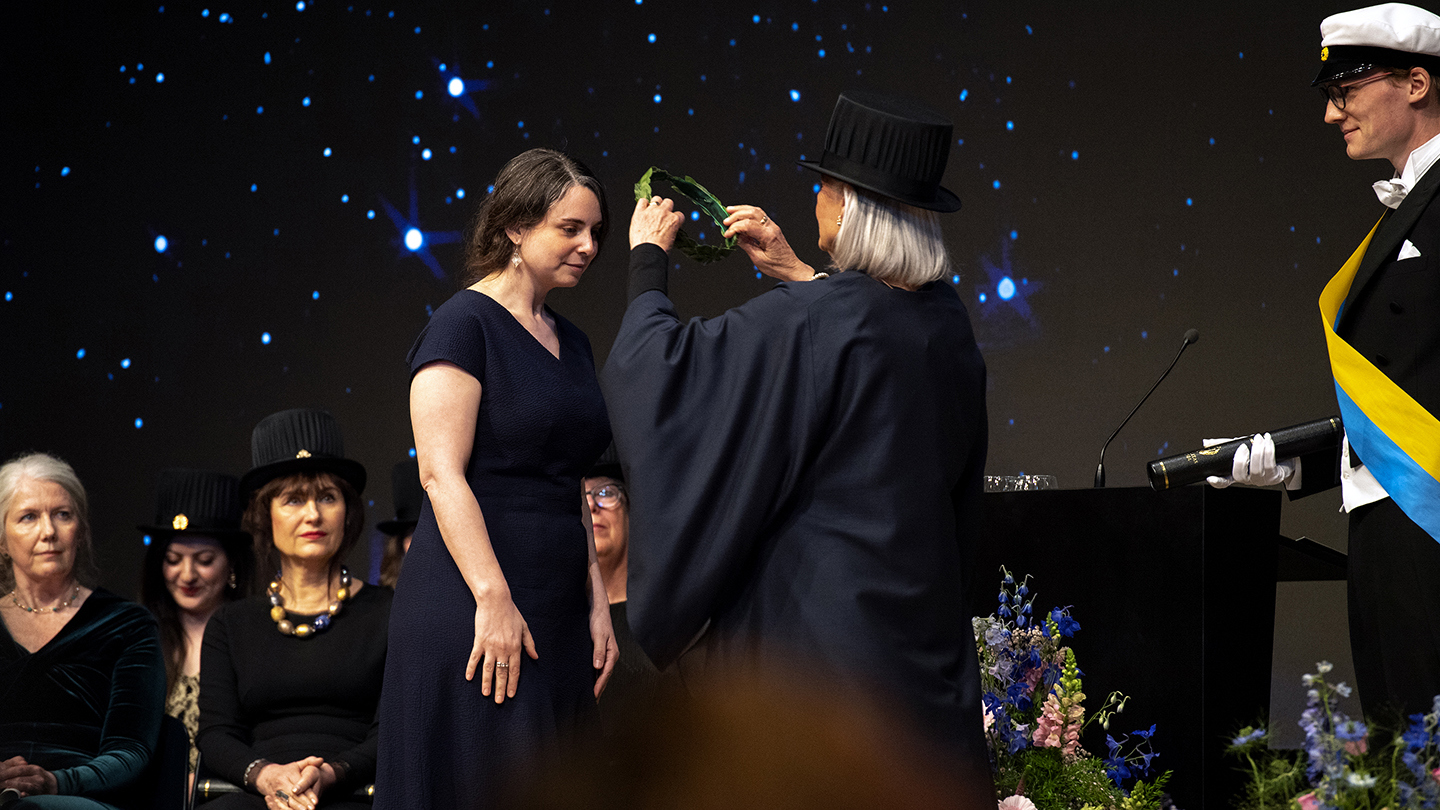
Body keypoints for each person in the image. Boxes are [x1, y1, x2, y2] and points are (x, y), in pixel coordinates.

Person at [603, 91, 994, 801]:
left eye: (824, 185)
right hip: (921, 660)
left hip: (824, 657)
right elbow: (864, 350)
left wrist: (647, 262)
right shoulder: (947, 323)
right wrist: (798, 273)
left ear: (849, 209)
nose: (815, 197)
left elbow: (657, 374)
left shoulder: (818, 321)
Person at [1210, 3, 1440, 721]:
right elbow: (1408, 386)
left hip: (1427, 522)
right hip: (1388, 521)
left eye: (1345, 90)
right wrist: (1296, 463)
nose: (1332, 113)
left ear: (1415, 84)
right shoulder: (1406, 209)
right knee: (1400, 748)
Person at [374, 148, 618, 807]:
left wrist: (595, 598)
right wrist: (493, 599)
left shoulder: (573, 341)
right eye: (570, 228)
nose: (589, 246)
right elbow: (440, 474)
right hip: (474, 599)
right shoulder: (463, 324)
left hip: (556, 601)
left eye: (595, 231)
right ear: (515, 225)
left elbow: (569, 480)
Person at [198, 409, 390, 810]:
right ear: (264, 516)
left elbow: (393, 728)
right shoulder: (230, 624)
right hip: (259, 794)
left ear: (348, 512)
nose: (313, 515)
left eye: (327, 497)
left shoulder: (389, 613)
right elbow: (216, 735)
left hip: (357, 791)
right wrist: (268, 776)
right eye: (294, 500)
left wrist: (330, 774)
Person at [0, 452, 166, 809]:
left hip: (82, 797)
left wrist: (56, 782)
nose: (48, 532)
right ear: (2, 540)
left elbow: (131, 751)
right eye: (28, 517)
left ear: (81, 531)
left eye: (62, 514)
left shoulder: (127, 624)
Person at [139, 469, 254, 776]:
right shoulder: (142, 640)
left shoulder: (254, 636)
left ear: (232, 564)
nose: (187, 575)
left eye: (204, 560)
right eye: (173, 560)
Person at [583, 446, 676, 734]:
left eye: (606, 493)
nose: (592, 506)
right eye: (582, 498)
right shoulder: (565, 624)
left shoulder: (660, 623)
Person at [375, 460, 419, 589]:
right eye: (414, 534)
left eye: (434, 534)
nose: (424, 545)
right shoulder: (386, 599)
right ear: (399, 544)